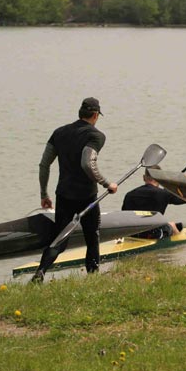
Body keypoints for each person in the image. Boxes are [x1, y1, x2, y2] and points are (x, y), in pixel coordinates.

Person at [31, 97, 118, 283]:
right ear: (95, 115)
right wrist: (106, 184)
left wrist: (44, 194)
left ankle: (41, 272)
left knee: (60, 238)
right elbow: (87, 163)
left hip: (63, 195)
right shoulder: (96, 136)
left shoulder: (59, 133)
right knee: (92, 236)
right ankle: (93, 278)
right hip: (87, 196)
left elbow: (44, 165)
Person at [121, 166, 186, 239]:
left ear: (144, 177)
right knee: (172, 225)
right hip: (153, 234)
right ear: (160, 179)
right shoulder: (164, 194)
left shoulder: (129, 194)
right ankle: (180, 244)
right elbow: (184, 199)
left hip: (131, 234)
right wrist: (172, 186)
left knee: (178, 225)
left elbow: (124, 218)